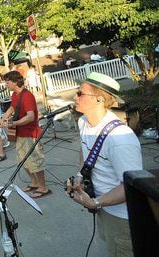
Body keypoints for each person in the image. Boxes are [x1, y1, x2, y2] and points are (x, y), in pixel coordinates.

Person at [66, 72, 142, 257]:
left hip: (121, 215)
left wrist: (94, 202)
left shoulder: (120, 139)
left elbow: (132, 187)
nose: (74, 97)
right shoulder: (84, 122)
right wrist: (79, 177)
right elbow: (85, 151)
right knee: (110, 248)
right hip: (103, 207)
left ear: (99, 99)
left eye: (80, 93)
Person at [0, 70, 51, 198]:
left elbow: (30, 117)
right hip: (20, 133)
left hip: (30, 134)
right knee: (22, 161)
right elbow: (12, 108)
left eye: (8, 82)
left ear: (16, 82)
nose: (6, 85)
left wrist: (13, 123)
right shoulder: (15, 95)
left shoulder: (27, 96)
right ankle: (34, 182)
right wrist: (3, 118)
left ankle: (43, 187)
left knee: (35, 161)